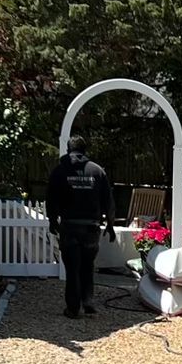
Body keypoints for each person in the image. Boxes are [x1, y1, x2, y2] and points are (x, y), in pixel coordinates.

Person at [44, 135, 116, 319]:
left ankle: (73, 308)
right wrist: (110, 224)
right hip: (91, 228)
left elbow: (51, 199)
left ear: (68, 150)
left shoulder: (60, 171)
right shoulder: (97, 171)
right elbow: (108, 200)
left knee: (72, 268)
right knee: (87, 266)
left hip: (69, 227)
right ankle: (88, 302)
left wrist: (52, 221)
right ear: (84, 151)